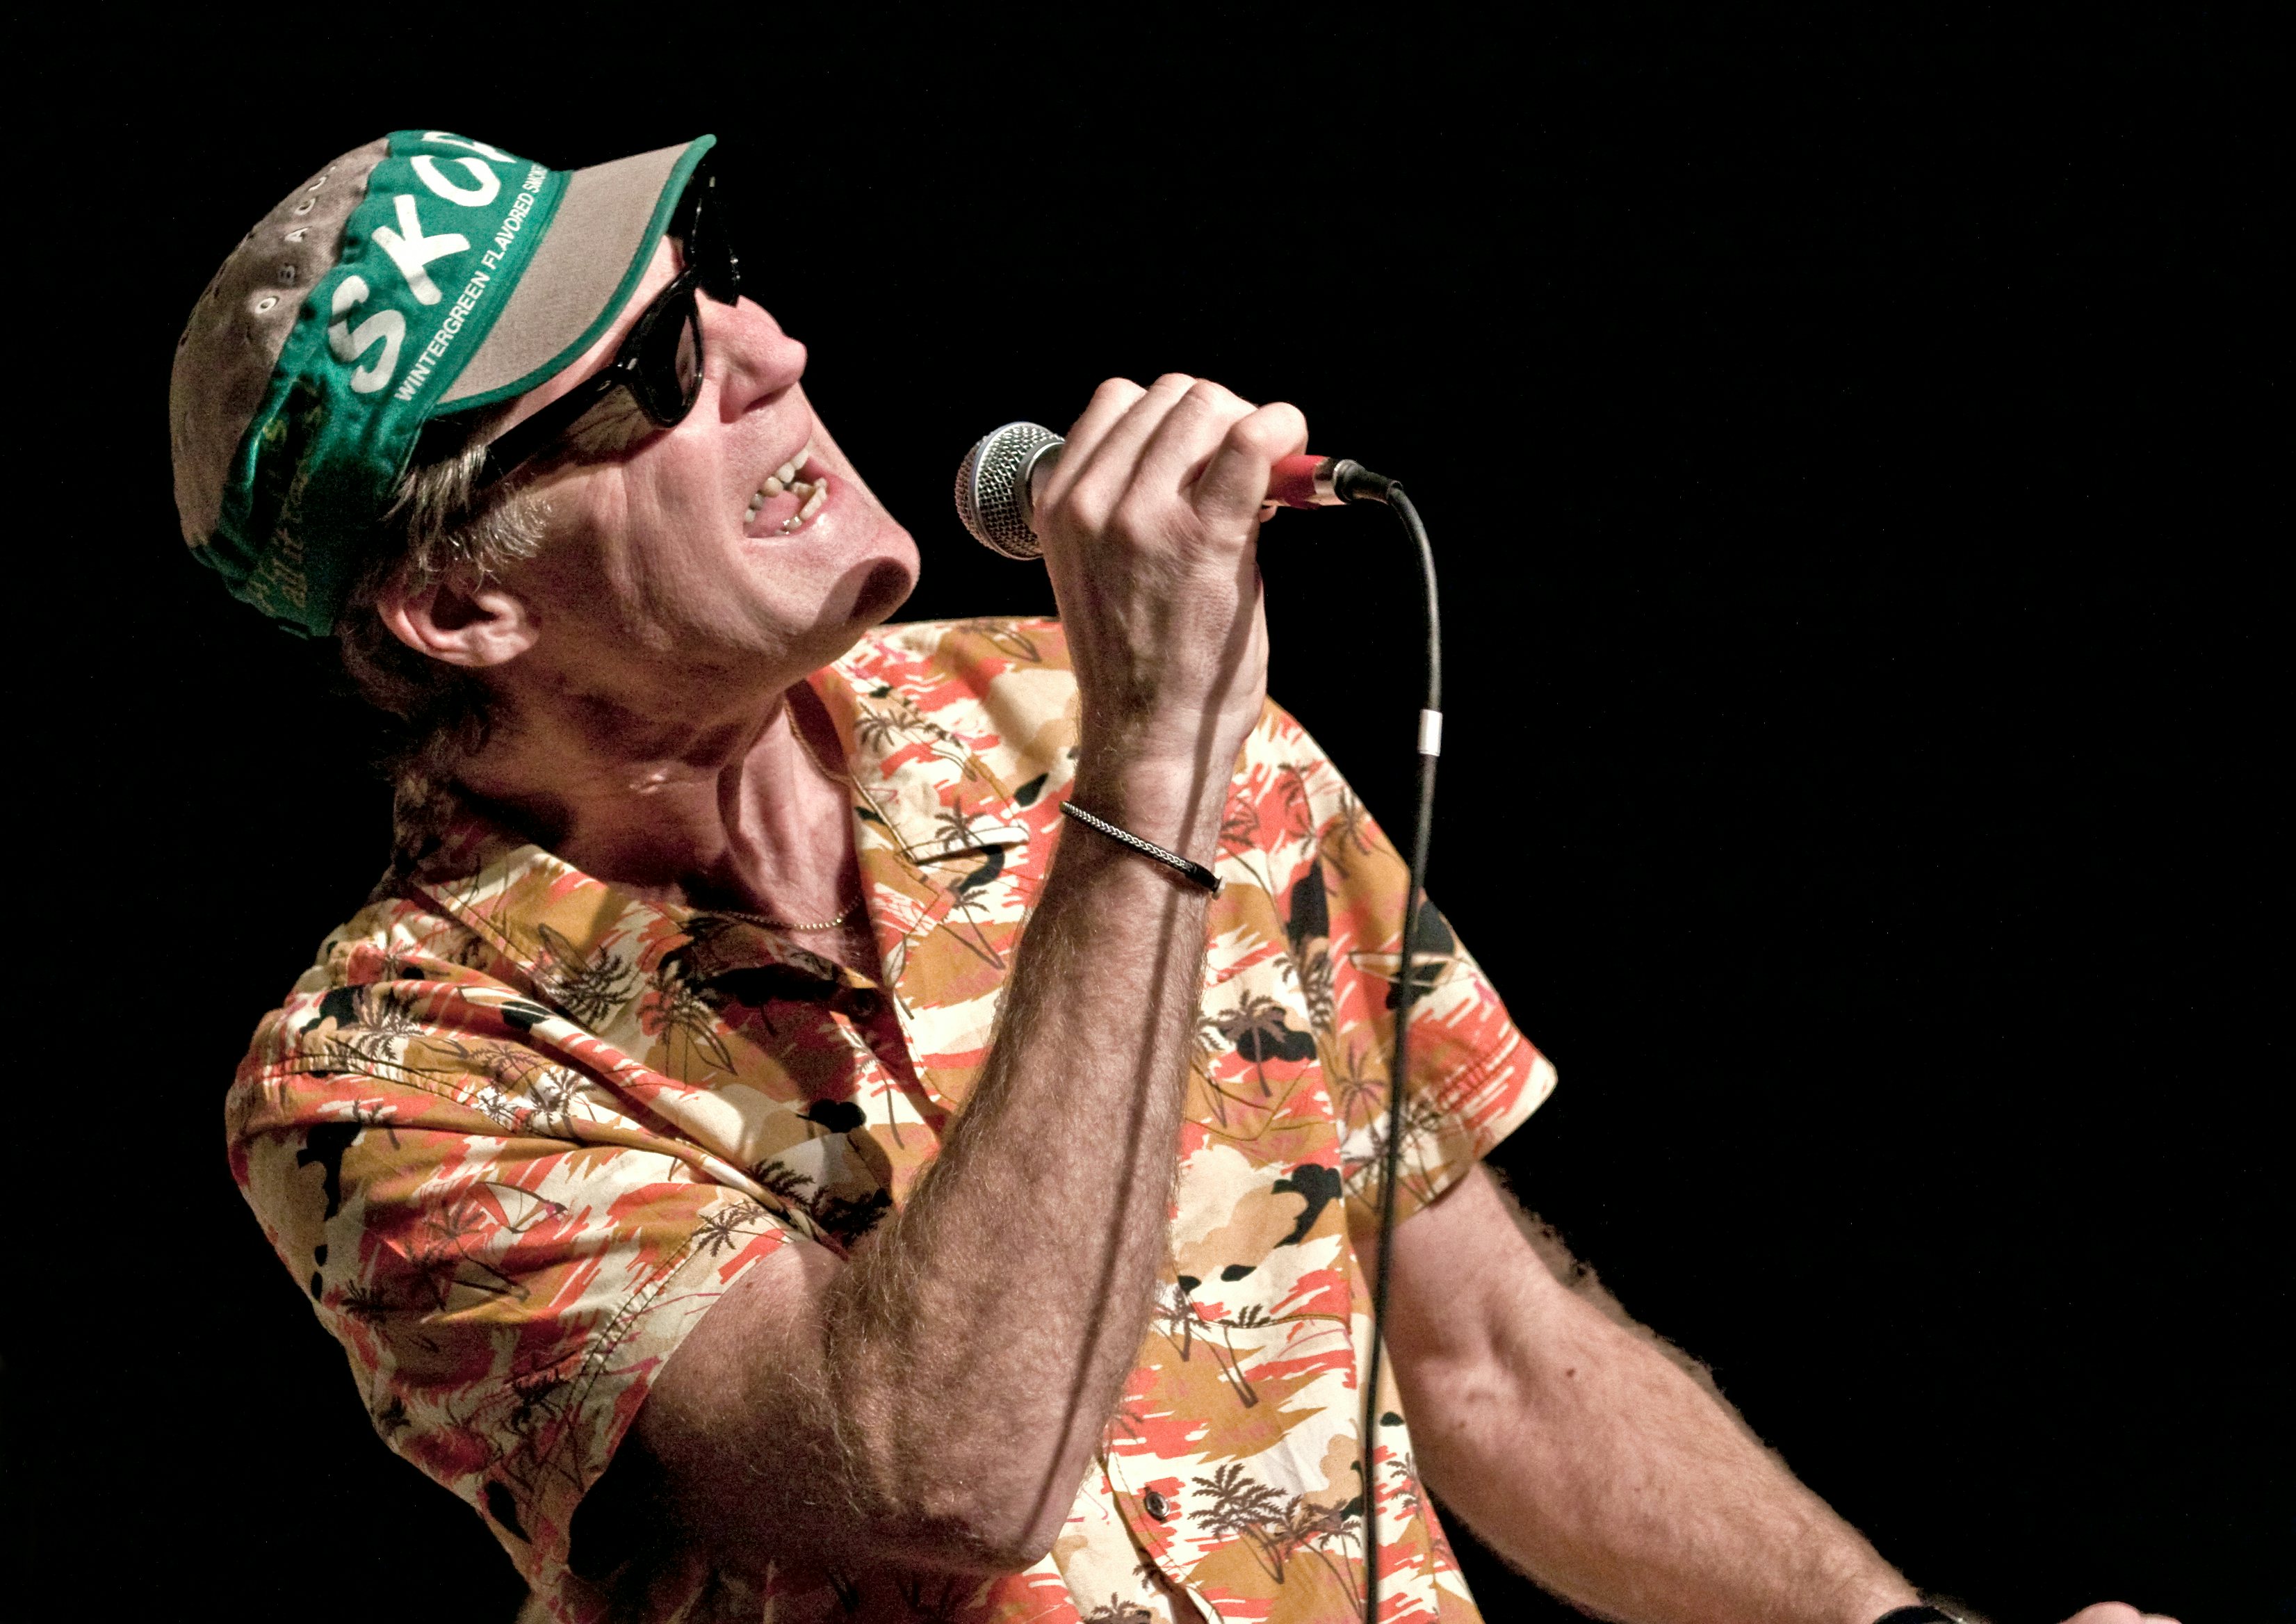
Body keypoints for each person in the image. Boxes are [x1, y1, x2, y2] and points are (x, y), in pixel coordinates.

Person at [174, 130, 2163, 1624]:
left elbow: (1493, 1359)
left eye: (722, 283)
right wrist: (1153, 771)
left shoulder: (1068, 712)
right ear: (459, 605)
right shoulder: (390, 1080)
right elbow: (941, 1474)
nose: (771, 351)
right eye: (651, 374)